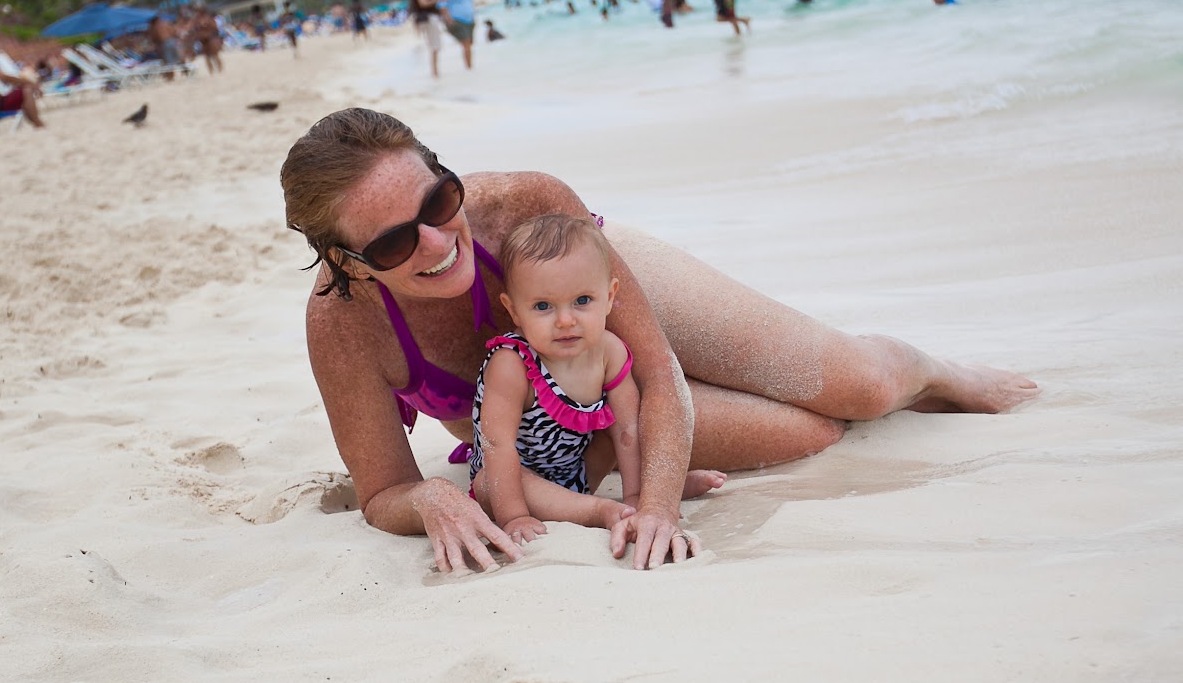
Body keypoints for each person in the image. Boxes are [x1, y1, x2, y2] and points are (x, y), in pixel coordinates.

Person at [279, 108, 1039, 573]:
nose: (437, 241)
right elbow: (382, 492)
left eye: (440, 200)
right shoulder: (343, 327)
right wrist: (432, 499)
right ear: (348, 262)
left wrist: (660, 505)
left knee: (859, 389)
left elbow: (656, 368)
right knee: (813, 432)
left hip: (586, 288)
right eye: (393, 243)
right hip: (554, 414)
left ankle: (932, 369)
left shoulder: (521, 205)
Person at [470, 214, 726, 543]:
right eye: (543, 306)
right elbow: (497, 444)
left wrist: (640, 498)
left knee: (619, 431)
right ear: (514, 310)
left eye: (582, 301)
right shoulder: (511, 364)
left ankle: (650, 492)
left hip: (579, 475)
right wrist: (514, 516)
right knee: (485, 484)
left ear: (609, 296)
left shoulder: (610, 353)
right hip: (514, 482)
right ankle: (598, 511)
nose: (565, 320)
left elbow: (628, 430)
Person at [434, 0, 476, 70]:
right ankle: (469, 68)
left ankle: (470, 67)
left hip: (469, 18)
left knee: (470, 43)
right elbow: (442, 5)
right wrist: (448, 19)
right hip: (457, 19)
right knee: (466, 43)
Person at [406, 0, 443, 79]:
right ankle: (435, 72)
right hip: (428, 19)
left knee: (433, 44)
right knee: (435, 45)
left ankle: (435, 72)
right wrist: (437, 0)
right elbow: (423, 3)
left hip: (423, 20)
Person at [147, 13, 183, 80]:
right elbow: (174, 32)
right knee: (179, 58)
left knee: (168, 61)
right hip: (173, 41)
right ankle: (186, 73)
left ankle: (171, 77)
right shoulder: (166, 22)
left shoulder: (154, 27)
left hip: (165, 44)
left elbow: (154, 38)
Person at [191, 8, 223, 74]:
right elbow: (193, 29)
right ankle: (211, 72)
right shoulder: (196, 20)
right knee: (207, 56)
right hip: (203, 40)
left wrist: (207, 32)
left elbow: (215, 28)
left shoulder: (208, 18)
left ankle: (220, 70)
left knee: (215, 55)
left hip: (211, 39)